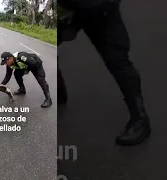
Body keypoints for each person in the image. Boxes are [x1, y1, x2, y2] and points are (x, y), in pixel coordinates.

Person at [58, 0, 151, 145]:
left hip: (99, 7)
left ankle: (140, 119)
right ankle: (58, 90)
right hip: (63, 7)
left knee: (116, 59)